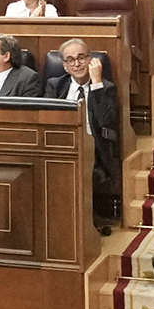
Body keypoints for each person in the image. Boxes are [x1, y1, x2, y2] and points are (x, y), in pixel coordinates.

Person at [50, 38, 121, 229]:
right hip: (59, 147)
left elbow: (107, 121)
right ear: (65, 66)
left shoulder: (105, 87)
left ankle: (80, 224)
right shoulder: (55, 86)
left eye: (82, 57)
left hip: (94, 150)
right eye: (71, 60)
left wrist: (96, 83)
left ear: (91, 60)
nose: (77, 64)